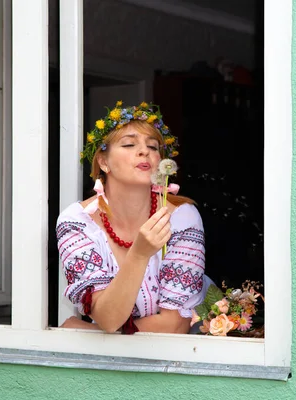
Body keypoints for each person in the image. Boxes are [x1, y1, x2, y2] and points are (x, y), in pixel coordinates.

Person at [56, 101, 207, 334]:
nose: (144, 151)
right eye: (128, 144)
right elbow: (108, 318)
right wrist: (139, 254)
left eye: (154, 147)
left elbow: (175, 325)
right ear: (103, 162)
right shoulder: (76, 222)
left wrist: (92, 333)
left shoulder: (181, 217)